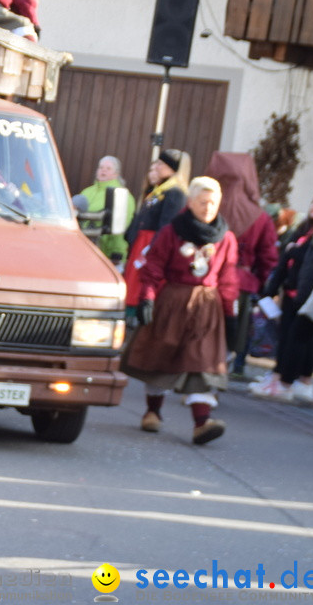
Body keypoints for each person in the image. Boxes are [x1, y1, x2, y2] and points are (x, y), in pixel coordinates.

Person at [122, 176, 238, 444]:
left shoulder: (226, 238)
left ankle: (202, 423)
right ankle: (152, 413)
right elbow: (153, 267)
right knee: (159, 357)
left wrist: (229, 313)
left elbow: (229, 278)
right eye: (202, 202)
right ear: (190, 202)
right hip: (173, 301)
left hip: (207, 308)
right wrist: (146, 298)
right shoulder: (172, 231)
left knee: (203, 362)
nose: (208, 208)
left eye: (213, 203)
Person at [203, 152, 277, 377]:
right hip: (241, 283)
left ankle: (199, 373)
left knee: (204, 329)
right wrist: (261, 282)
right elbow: (268, 256)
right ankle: (226, 371)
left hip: (206, 278)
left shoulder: (206, 207)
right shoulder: (260, 216)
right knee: (233, 331)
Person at [251, 190, 313, 403]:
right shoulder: (305, 229)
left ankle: (284, 383)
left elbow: (312, 265)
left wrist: (294, 252)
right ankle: (290, 382)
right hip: (301, 292)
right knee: (298, 337)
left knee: (298, 337)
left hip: (309, 296)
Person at [123, 149, 191, 324]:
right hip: (141, 242)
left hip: (150, 244)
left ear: (171, 169)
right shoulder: (159, 190)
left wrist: (151, 247)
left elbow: (166, 224)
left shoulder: (174, 193)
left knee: (141, 283)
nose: (157, 167)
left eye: (161, 164)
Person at [76, 155, 136, 266]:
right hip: (82, 248)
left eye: (108, 168)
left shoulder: (122, 195)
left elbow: (121, 227)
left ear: (116, 174)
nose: (103, 170)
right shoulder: (86, 191)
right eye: (101, 167)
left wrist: (115, 253)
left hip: (106, 253)